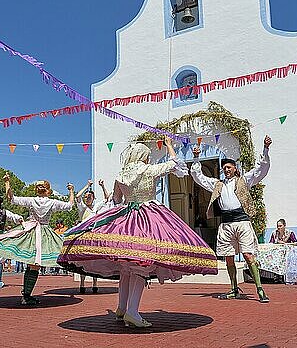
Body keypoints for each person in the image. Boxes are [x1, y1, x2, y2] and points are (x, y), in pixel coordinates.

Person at [59, 137, 218, 328]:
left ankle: (121, 308)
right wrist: (168, 145)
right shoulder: (149, 170)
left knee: (127, 267)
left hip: (126, 217)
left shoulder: (121, 175)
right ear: (143, 156)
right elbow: (177, 164)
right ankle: (132, 312)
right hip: (149, 217)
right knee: (142, 263)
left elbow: (117, 200)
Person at [190, 135, 272, 302]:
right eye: (224, 168)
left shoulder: (244, 180)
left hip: (242, 222)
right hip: (226, 224)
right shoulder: (217, 184)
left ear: (235, 168)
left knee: (248, 255)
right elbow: (199, 177)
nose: (226, 170)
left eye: (229, 167)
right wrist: (197, 157)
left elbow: (260, 170)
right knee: (228, 257)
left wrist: (265, 148)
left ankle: (260, 290)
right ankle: (234, 289)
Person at [0, 175, 74, 305]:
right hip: (43, 233)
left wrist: (7, 183)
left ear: (37, 190)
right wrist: (71, 190)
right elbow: (70, 205)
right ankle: (26, 295)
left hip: (30, 231)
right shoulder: (52, 202)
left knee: (30, 263)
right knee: (35, 265)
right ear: (48, 191)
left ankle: (26, 294)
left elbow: (12, 199)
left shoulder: (31, 200)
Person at [74, 179, 111, 294]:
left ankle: (95, 284)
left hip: (94, 236)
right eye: (86, 197)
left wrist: (102, 186)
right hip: (83, 236)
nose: (87, 198)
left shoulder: (96, 208)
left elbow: (108, 198)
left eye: (90, 197)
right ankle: (82, 284)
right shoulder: (82, 208)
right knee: (82, 260)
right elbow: (77, 196)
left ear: (93, 198)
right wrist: (88, 185)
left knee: (94, 260)